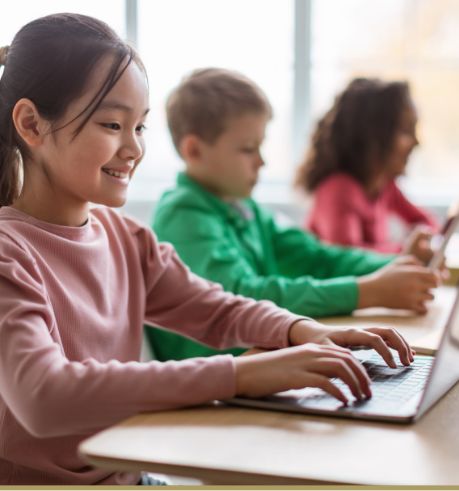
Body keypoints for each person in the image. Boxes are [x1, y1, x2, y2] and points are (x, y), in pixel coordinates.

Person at [0, 13, 416, 485]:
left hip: (128, 479)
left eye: (140, 128)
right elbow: (43, 399)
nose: (134, 148)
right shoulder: (9, 254)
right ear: (31, 124)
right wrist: (239, 375)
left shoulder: (125, 238)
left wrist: (302, 331)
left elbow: (215, 308)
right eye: (113, 124)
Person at [148, 68, 438, 362]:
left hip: (258, 361)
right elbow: (244, 297)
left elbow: (317, 257)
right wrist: (365, 292)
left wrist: (401, 264)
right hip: (214, 383)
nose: (261, 161)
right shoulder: (182, 213)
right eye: (248, 149)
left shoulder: (245, 208)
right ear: (194, 150)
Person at [294, 77, 439, 254]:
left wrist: (421, 241)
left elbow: (426, 222)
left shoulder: (384, 185)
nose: (416, 142)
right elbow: (348, 257)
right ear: (373, 137)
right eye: (405, 131)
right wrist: (406, 250)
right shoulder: (338, 190)